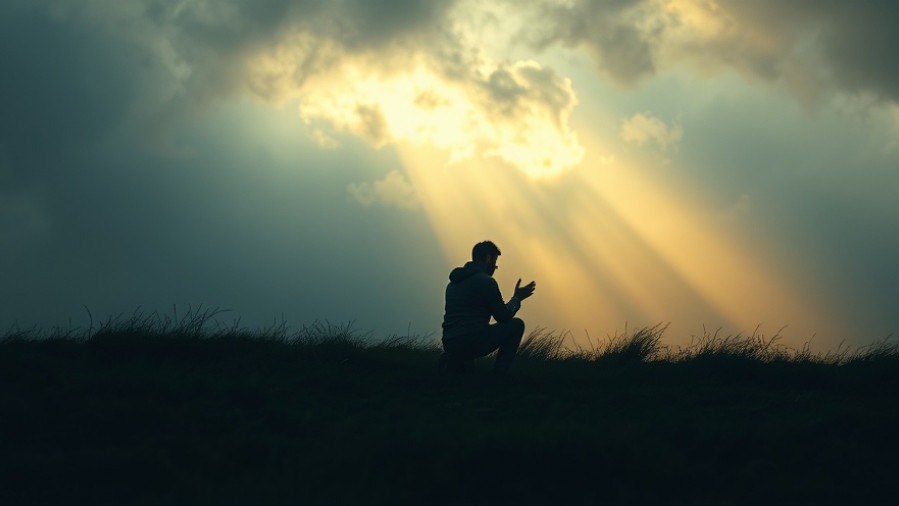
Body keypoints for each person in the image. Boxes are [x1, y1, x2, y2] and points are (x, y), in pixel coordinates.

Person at [440, 240, 536, 375]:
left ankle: (455, 364)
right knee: (516, 325)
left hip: (450, 343)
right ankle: (498, 377)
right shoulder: (486, 282)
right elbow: (503, 316)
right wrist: (517, 298)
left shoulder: (453, 283)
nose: (495, 267)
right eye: (495, 262)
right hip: (470, 341)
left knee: (468, 334)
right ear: (488, 258)